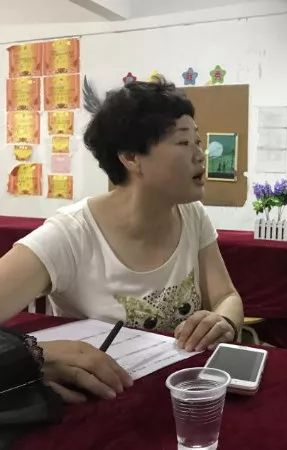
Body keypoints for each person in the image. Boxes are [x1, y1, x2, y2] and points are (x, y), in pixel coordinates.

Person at [0, 79, 243, 403]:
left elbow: (227, 296)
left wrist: (223, 320)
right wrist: (37, 355)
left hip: (180, 396)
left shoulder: (192, 215)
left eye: (198, 141)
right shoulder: (70, 235)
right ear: (131, 157)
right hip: (103, 404)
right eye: (184, 142)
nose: (201, 155)